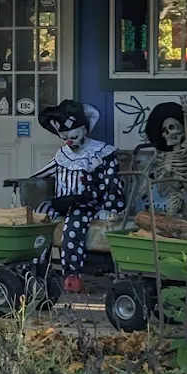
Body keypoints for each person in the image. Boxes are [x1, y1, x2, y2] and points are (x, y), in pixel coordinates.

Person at [33, 100, 125, 293]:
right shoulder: (63, 154)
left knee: (75, 220)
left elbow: (112, 183)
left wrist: (109, 207)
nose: (69, 140)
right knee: (39, 212)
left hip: (87, 203)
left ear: (84, 129)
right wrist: (23, 183)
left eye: (73, 135)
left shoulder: (100, 153)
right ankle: (37, 268)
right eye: (64, 136)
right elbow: (44, 173)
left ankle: (71, 273)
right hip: (61, 201)